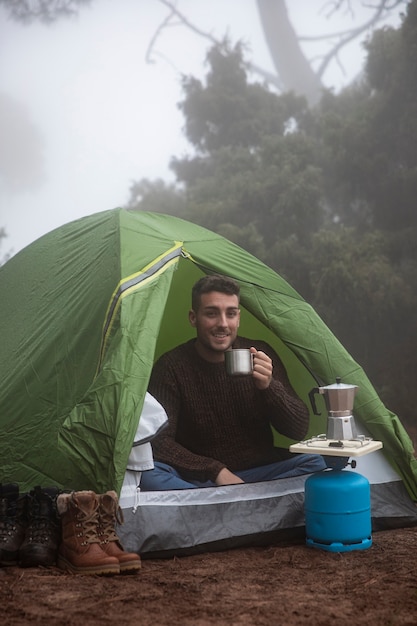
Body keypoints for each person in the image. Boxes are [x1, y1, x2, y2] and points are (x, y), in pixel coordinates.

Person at [140, 274, 327, 491]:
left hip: (261, 471)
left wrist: (269, 387)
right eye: (211, 314)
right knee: (147, 475)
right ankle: (247, 500)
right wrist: (215, 470)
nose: (222, 324)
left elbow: (298, 430)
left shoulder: (260, 354)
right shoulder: (172, 366)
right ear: (193, 318)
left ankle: (217, 505)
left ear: (238, 318)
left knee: (318, 461)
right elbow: (158, 442)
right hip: (202, 479)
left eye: (230, 314)